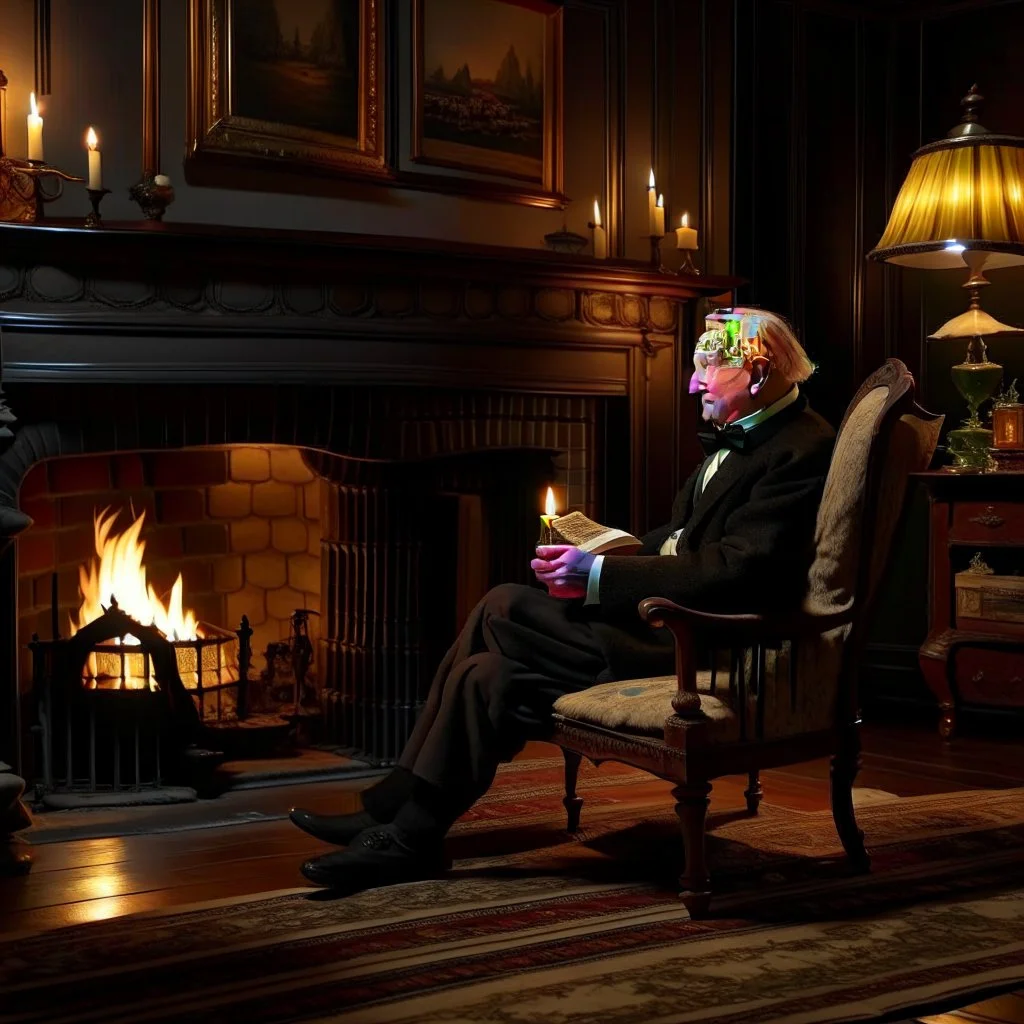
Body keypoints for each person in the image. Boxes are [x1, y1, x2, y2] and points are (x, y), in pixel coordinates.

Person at [292, 306, 835, 891]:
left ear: (757, 375)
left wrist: (599, 577)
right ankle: (409, 832)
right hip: (668, 615)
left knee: (502, 603)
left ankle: (396, 805)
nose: (692, 382)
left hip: (700, 638)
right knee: (487, 675)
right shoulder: (750, 430)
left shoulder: (798, 449)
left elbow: (738, 572)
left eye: (707, 367)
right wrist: (611, 547)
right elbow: (686, 541)